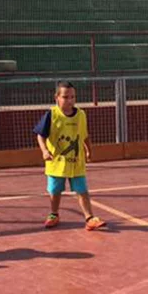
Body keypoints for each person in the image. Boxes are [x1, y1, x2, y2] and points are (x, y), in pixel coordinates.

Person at [33, 81, 106, 231]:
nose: (70, 100)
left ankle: (90, 218)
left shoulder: (81, 115)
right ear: (57, 97)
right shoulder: (51, 115)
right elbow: (40, 135)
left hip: (76, 162)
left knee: (82, 191)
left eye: (73, 97)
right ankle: (54, 214)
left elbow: (85, 135)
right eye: (66, 97)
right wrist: (44, 151)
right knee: (55, 191)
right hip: (56, 163)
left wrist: (89, 151)